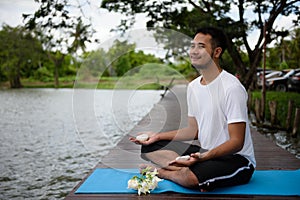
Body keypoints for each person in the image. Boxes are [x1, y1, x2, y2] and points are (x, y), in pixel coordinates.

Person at [130, 27, 256, 192]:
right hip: (205, 154)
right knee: (150, 147)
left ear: (216, 52)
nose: (194, 51)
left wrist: (203, 157)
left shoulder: (232, 88)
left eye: (201, 46)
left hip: (236, 160)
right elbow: (193, 130)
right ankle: (184, 170)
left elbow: (236, 142)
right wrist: (157, 136)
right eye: (192, 46)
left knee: (192, 178)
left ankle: (164, 173)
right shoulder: (194, 87)